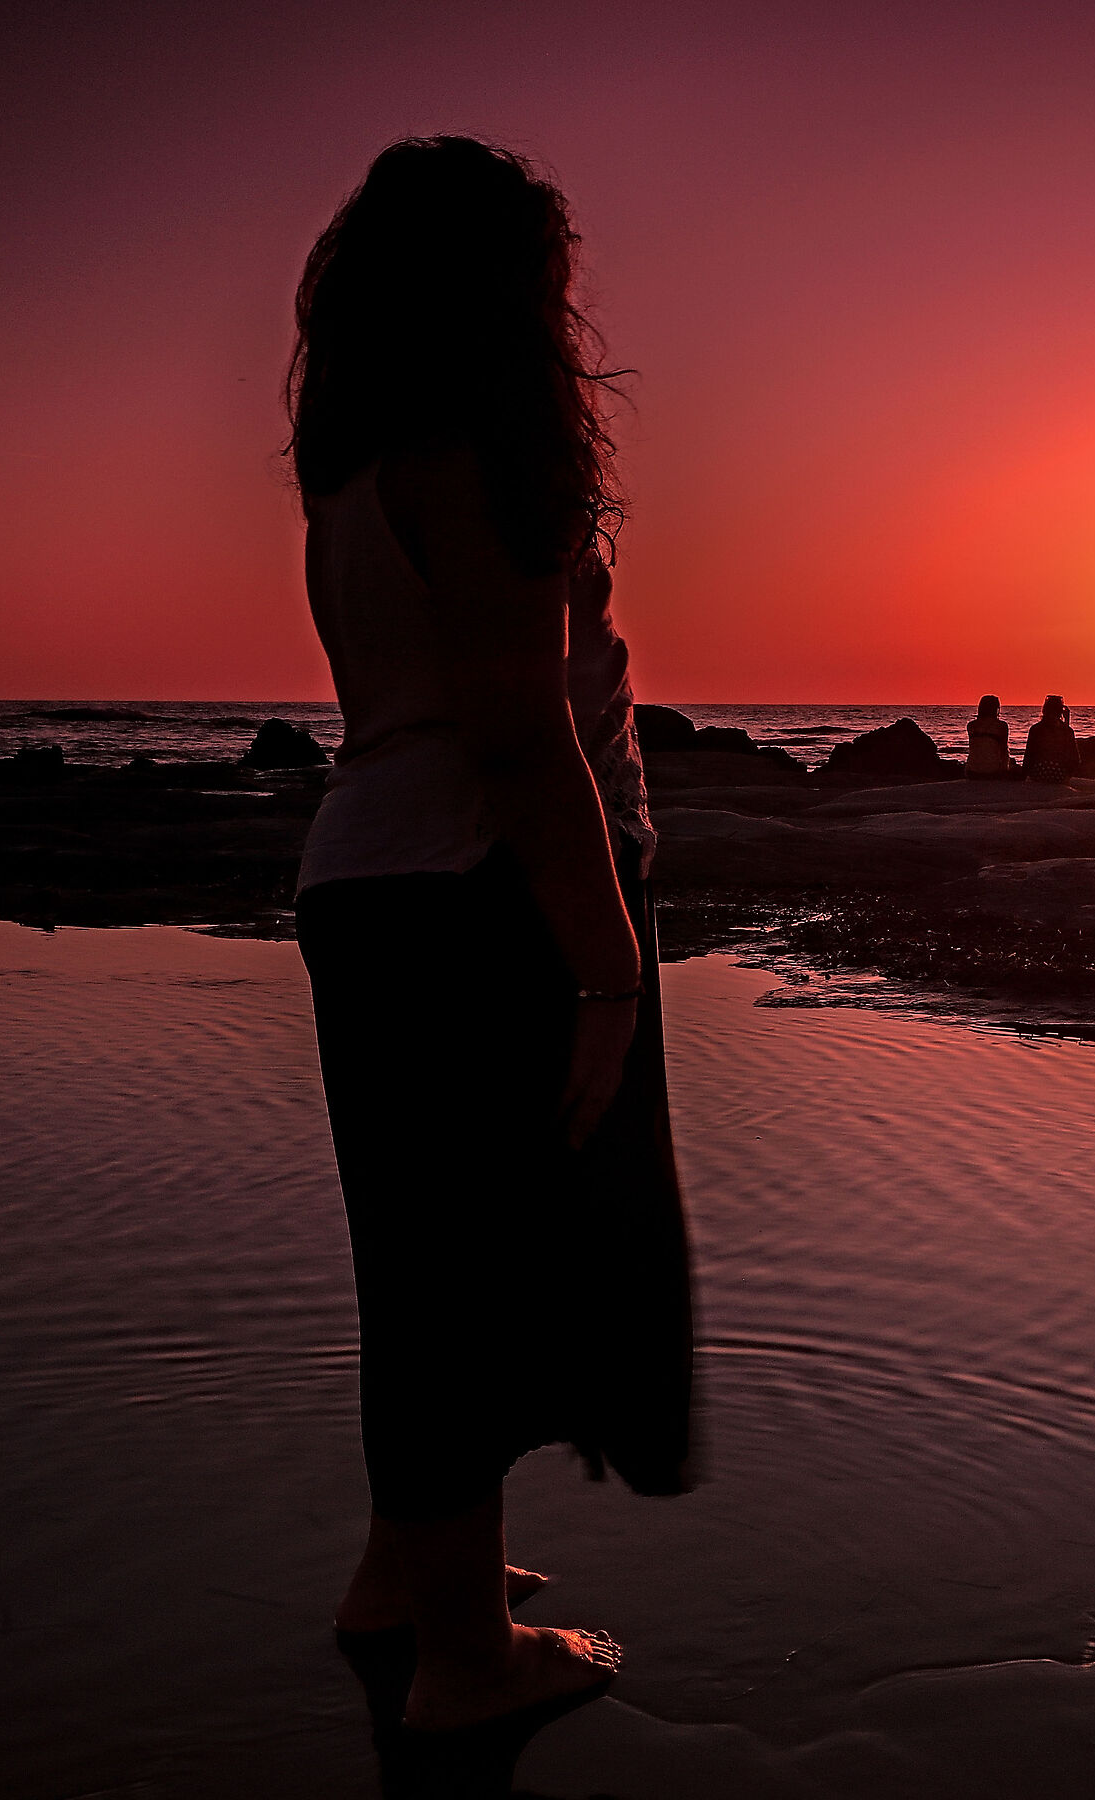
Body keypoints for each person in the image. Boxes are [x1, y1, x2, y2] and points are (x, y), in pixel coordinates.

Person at [285, 137, 695, 1738]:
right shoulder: (482, 455)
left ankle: (406, 1574)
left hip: (371, 881)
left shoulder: (354, 469)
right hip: (481, 895)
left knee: (426, 1261)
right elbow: (520, 737)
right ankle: (468, 1662)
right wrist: (606, 966)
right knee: (473, 1283)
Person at [1022, 694, 1078, 783]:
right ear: (1061, 711)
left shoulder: (1036, 729)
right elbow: (1073, 756)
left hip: (1038, 773)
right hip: (1060, 774)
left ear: (1044, 710)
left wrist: (1024, 774)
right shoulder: (1066, 730)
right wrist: (1067, 722)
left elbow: (1029, 755)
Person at [964, 694, 1013, 779]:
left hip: (972, 771)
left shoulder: (971, 725)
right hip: (993, 772)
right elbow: (1004, 750)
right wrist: (1005, 771)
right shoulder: (1001, 726)